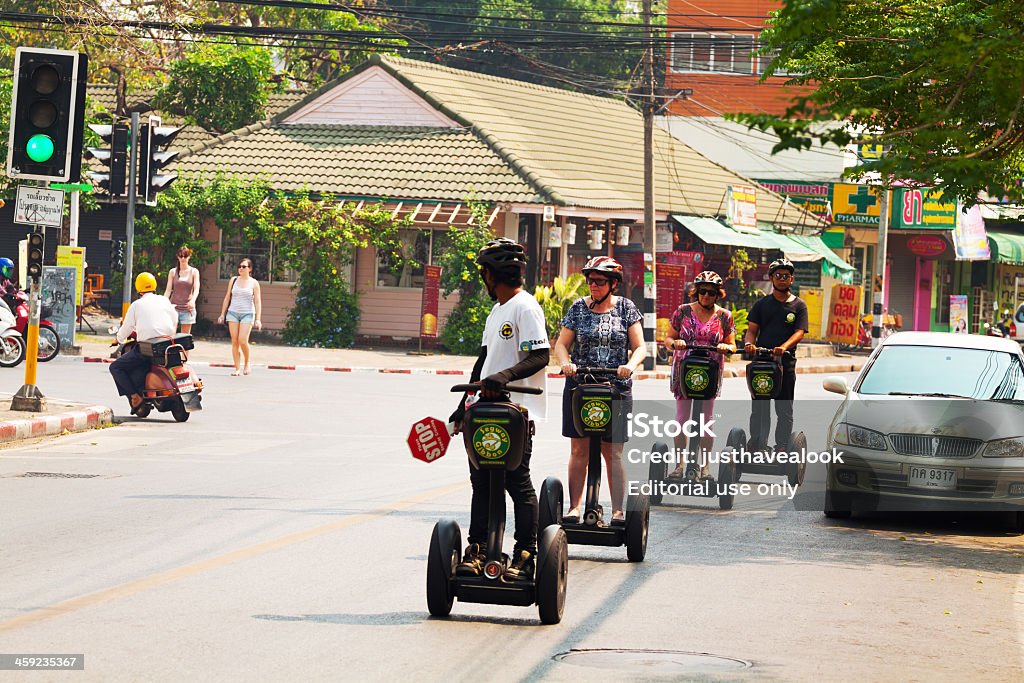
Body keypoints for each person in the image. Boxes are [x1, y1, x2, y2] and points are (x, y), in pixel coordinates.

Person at [448, 238, 548, 582]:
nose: (483, 279)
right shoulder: (497, 311)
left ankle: (526, 554)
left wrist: (504, 376)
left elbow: (541, 355)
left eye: (484, 273)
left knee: (516, 482)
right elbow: (483, 362)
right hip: (485, 409)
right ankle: (478, 549)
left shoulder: (525, 307)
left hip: (516, 411)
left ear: (493, 274)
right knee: (482, 482)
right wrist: (462, 406)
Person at [553, 256, 646, 525]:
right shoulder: (578, 309)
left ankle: (618, 511)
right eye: (590, 280)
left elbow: (640, 347)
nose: (593, 285)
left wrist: (629, 365)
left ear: (613, 284)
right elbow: (561, 345)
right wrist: (566, 363)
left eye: (599, 281)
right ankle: (574, 507)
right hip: (580, 386)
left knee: (612, 451)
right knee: (579, 449)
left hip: (615, 387)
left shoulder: (626, 308)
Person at [664, 271, 736, 479]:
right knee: (681, 420)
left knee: (707, 422)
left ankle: (705, 467)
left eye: (711, 293)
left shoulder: (724, 316)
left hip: (710, 373)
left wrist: (726, 347)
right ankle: (679, 466)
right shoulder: (683, 312)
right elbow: (669, 339)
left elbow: (732, 344)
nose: (706, 296)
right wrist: (675, 343)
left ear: (717, 294)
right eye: (702, 291)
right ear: (696, 292)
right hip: (684, 372)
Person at [743, 257, 809, 451]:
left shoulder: (799, 305)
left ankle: (781, 446)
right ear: (771, 278)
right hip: (762, 362)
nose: (782, 279)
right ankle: (757, 444)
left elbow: (799, 332)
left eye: (786, 276)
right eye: (778, 275)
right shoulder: (761, 304)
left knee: (784, 409)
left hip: (785, 364)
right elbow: (752, 330)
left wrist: (784, 346)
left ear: (791, 279)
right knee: (759, 409)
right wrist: (749, 344)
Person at [109, 272, 178, 415]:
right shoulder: (164, 301)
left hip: (147, 350)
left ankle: (135, 397)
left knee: (115, 367)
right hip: (168, 344)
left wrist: (119, 339)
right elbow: (174, 318)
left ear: (138, 288)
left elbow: (127, 327)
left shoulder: (136, 305)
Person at [216, 257, 262, 376]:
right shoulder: (234, 280)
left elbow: (257, 301)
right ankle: (237, 368)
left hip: (247, 313)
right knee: (234, 341)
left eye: (244, 267)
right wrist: (222, 314)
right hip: (233, 313)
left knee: (242, 340)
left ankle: (246, 363)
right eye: (239, 266)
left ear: (250, 269)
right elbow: (227, 297)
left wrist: (258, 319)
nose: (241, 269)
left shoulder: (254, 283)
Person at [163, 246, 201, 334]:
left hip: (187, 308)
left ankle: (183, 349)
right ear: (177, 257)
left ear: (189, 257)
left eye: (185, 256)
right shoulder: (173, 272)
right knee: (170, 335)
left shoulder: (194, 271)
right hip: (174, 307)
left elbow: (196, 288)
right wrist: (164, 302)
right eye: (181, 256)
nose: (183, 258)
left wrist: (193, 301)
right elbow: (168, 290)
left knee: (185, 338)